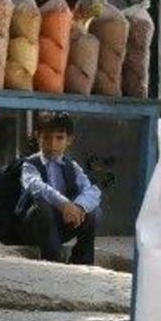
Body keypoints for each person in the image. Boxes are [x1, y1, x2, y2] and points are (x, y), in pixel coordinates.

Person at [16, 112, 102, 264]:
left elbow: (92, 191)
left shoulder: (72, 166)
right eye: (47, 137)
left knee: (92, 211)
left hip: (63, 224)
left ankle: (82, 260)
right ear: (38, 137)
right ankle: (53, 259)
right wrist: (64, 204)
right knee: (41, 205)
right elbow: (36, 186)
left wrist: (78, 206)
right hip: (34, 227)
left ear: (69, 140)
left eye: (59, 138)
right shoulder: (29, 165)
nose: (53, 144)